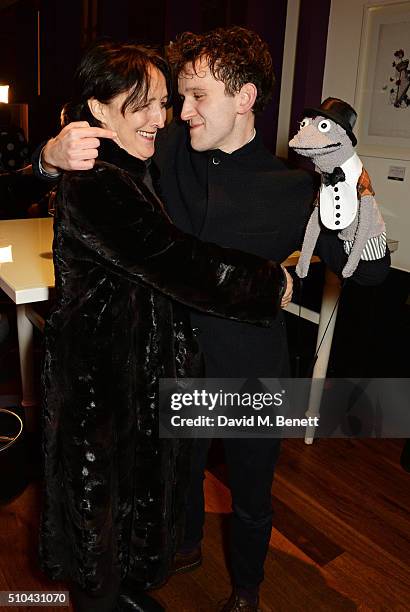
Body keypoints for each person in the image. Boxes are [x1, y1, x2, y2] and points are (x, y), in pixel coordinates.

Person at [34, 27, 389, 612]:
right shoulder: (167, 150)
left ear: (245, 97)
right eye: (178, 97)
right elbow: (99, 149)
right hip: (169, 369)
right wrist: (50, 155)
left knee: (251, 493)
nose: (181, 111)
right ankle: (184, 549)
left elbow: (369, 274)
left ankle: (246, 589)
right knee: (178, 479)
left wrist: (358, 191)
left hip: (250, 373)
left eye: (197, 96)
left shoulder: (299, 186)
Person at [38, 40, 292, 612]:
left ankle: (178, 587)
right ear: (99, 112)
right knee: (95, 518)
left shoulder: (147, 161)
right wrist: (47, 156)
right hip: (101, 390)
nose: (166, 116)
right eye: (147, 104)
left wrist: (351, 179)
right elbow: (179, 261)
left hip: (167, 376)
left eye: (168, 102)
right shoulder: (100, 179)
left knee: (134, 504)